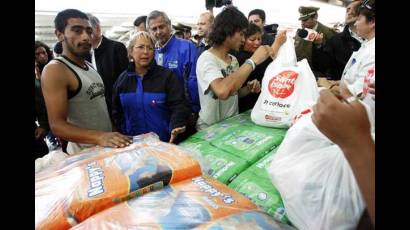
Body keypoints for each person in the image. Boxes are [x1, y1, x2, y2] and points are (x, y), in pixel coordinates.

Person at [41, 9, 132, 155]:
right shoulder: (55, 70)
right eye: (77, 31)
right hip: (85, 156)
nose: (86, 37)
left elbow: (100, 108)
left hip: (106, 149)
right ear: (59, 35)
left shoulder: (88, 65)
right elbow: (57, 125)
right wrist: (100, 137)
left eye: (89, 31)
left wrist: (113, 132)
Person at [196, 6, 287, 130]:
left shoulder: (233, 60)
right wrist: (252, 61)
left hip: (231, 125)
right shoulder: (207, 59)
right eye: (241, 34)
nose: (243, 39)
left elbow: (234, 93)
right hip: (210, 129)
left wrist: (248, 89)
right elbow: (222, 91)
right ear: (228, 31)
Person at [112, 32, 191, 143]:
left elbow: (179, 105)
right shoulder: (122, 81)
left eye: (150, 48)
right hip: (134, 146)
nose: (145, 52)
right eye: (140, 47)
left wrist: (176, 125)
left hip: (164, 143)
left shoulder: (167, 77)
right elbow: (117, 112)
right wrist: (124, 132)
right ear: (130, 51)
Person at [147, 10, 200, 139]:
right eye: (154, 29)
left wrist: (194, 111)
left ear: (169, 25)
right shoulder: (152, 52)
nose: (158, 32)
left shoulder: (187, 47)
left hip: (184, 114)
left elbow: (193, 81)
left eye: (161, 27)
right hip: (161, 114)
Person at [326, 0, 375, 98]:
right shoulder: (366, 44)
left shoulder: (373, 51)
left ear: (372, 22)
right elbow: (355, 76)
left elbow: (359, 91)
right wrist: (340, 82)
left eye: (359, 19)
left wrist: (328, 86)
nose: (356, 24)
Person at [86, 13, 129, 120]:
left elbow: (126, 79)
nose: (85, 35)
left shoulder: (116, 48)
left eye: (88, 31)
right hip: (97, 108)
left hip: (117, 107)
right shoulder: (85, 53)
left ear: (98, 29)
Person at [315, 0, 363, 82]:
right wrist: (318, 46)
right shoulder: (336, 40)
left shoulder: (371, 41)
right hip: (340, 88)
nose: (349, 13)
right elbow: (323, 66)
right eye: (347, 10)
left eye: (355, 9)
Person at [235, 23, 273, 113]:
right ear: (243, 39)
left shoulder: (259, 55)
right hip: (244, 105)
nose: (257, 43)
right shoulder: (240, 58)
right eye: (252, 39)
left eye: (259, 39)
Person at [294, 6, 336, 78]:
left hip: (317, 75)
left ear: (315, 17)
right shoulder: (301, 32)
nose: (302, 23)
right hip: (300, 72)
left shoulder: (328, 33)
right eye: (301, 20)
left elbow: (331, 59)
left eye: (305, 20)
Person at [35, 41, 61, 151]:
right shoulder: (37, 72)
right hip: (46, 110)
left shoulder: (54, 66)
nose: (42, 56)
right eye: (38, 54)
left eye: (44, 52)